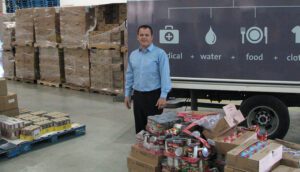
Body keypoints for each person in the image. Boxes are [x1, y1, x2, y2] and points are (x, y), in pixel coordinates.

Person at [124, 25, 172, 134]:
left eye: (147, 35)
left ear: (152, 37)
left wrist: (163, 96)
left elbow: (165, 76)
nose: (144, 37)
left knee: (154, 130)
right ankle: (141, 149)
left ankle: (152, 150)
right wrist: (127, 94)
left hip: (154, 97)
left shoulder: (160, 54)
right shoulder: (133, 55)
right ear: (137, 37)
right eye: (141, 35)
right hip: (138, 96)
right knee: (140, 129)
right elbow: (129, 75)